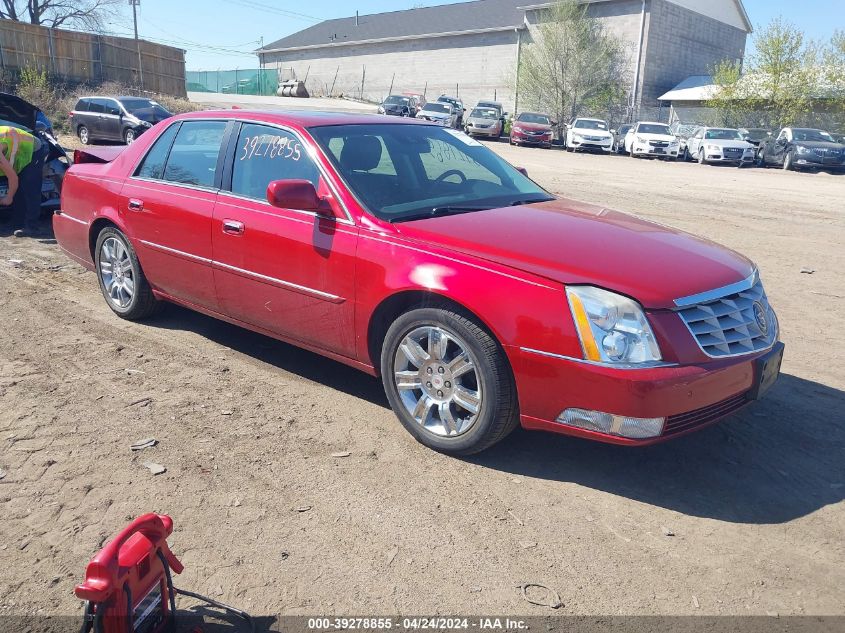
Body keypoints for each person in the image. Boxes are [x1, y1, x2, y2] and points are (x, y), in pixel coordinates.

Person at [0, 124, 48, 237]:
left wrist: (8, 197)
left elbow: (13, 178)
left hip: (35, 149)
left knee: (29, 188)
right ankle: (16, 222)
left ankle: (32, 226)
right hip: (18, 151)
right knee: (19, 189)